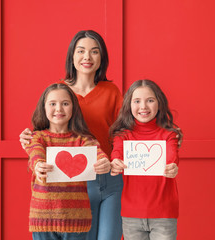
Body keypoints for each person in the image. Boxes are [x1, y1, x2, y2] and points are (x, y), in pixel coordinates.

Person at [20, 30, 124, 239]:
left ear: (102, 57)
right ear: (72, 56)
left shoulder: (112, 91)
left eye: (94, 52)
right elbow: (44, 133)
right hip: (75, 182)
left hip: (108, 175)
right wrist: (28, 141)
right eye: (81, 51)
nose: (87, 57)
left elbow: (123, 131)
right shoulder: (60, 92)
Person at [25, 83, 109, 240]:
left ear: (73, 108)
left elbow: (98, 154)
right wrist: (38, 165)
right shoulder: (37, 137)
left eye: (65, 104)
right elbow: (35, 153)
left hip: (77, 219)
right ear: (43, 107)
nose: (59, 109)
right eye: (52, 104)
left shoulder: (84, 140)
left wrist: (104, 162)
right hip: (43, 218)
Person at [110, 79, 182, 240]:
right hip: (131, 214)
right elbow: (117, 153)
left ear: (159, 103)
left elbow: (172, 157)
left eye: (150, 100)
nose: (143, 106)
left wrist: (172, 166)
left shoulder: (169, 134)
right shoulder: (123, 135)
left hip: (164, 213)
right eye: (137, 101)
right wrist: (115, 162)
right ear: (129, 105)